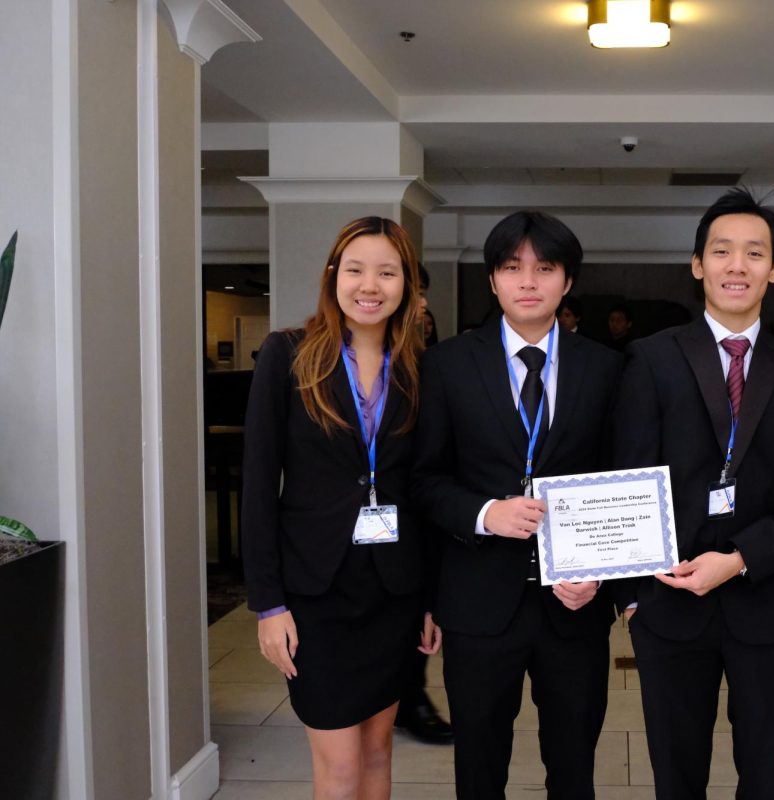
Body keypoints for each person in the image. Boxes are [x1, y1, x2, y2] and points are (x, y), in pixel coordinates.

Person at [610, 187, 774, 799]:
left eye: (754, 253)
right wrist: (634, 597)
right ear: (697, 264)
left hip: (769, 602)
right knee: (676, 776)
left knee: (767, 775)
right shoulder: (651, 360)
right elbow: (628, 477)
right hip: (667, 603)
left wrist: (740, 558)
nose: (736, 266)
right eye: (721, 251)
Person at [412, 210, 622, 799]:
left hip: (574, 605)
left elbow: (620, 480)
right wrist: (485, 514)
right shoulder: (448, 366)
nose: (528, 281)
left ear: (567, 281)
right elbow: (425, 480)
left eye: (545, 268)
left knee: (574, 765)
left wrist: (600, 574)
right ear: (493, 280)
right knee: (479, 767)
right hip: (478, 603)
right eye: (512, 267)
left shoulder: (607, 369)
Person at [241, 216, 440, 799]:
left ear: (407, 285)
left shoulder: (422, 368)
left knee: (378, 756)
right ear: (333, 276)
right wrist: (267, 603)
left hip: (393, 591)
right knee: (339, 767)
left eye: (387, 271)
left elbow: (422, 488)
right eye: (355, 269)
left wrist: (431, 598)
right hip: (315, 592)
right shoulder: (288, 355)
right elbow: (259, 485)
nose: (369, 285)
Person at [393, 263, 453, 744]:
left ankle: (410, 697)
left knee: (415, 619)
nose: (422, 304)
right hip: (348, 539)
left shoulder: (424, 364)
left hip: (418, 519)